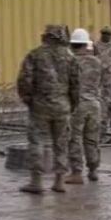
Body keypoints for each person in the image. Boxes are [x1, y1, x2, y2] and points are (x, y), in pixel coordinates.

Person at [16, 24, 80, 194]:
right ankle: (59, 181)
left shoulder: (35, 55)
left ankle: (36, 181)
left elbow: (24, 81)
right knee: (61, 144)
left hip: (40, 106)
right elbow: (76, 85)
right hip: (63, 106)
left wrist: (29, 100)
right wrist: (72, 104)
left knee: (37, 142)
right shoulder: (71, 57)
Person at [66, 31, 106, 184]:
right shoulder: (97, 62)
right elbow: (101, 82)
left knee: (74, 138)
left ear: (72, 45)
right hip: (94, 104)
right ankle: (93, 170)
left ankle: (76, 172)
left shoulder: (69, 62)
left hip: (77, 105)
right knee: (92, 139)